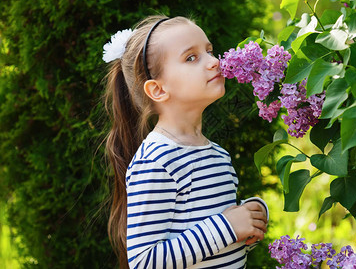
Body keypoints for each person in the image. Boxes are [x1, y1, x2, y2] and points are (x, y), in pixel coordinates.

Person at [103, 15, 269, 269]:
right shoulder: (156, 160)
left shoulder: (218, 155)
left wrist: (249, 216)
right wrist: (228, 227)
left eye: (210, 51)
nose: (214, 62)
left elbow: (217, 243)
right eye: (191, 57)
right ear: (158, 90)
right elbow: (144, 261)